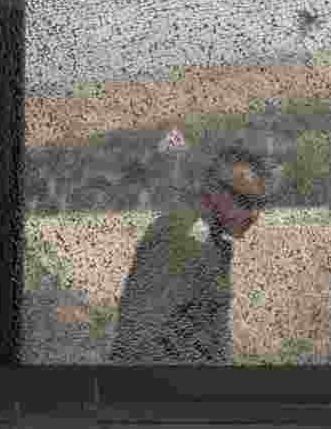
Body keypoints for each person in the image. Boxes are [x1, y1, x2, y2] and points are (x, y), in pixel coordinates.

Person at [109, 142, 282, 365]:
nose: (254, 215)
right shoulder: (180, 235)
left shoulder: (213, 238)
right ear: (213, 191)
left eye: (260, 204)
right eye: (245, 202)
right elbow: (139, 334)